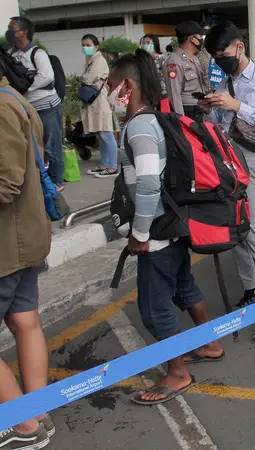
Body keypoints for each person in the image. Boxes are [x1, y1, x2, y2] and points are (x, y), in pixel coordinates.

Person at [108, 50, 224, 406]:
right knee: (184, 285)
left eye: (110, 85)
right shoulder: (155, 118)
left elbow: (146, 184)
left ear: (127, 86)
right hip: (173, 225)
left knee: (154, 308)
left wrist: (140, 234)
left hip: (156, 231)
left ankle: (177, 373)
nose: (108, 92)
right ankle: (208, 344)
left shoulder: (139, 126)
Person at [201, 21, 255, 341]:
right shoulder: (223, 80)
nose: (219, 59)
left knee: (254, 230)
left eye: (222, 53)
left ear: (239, 47)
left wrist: (237, 105)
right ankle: (251, 289)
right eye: (214, 55)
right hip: (226, 162)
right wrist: (210, 108)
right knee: (235, 230)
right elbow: (219, 123)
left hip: (252, 160)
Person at [0, 66, 55, 450]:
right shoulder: (17, 100)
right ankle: (37, 412)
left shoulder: (1, 107)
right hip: (26, 234)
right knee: (25, 322)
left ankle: (24, 426)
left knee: (26, 323)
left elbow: (7, 181)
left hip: (7, 242)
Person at [6, 16, 65, 191]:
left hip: (46, 106)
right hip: (26, 107)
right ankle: (37, 179)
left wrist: (25, 88)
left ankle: (56, 180)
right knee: (32, 146)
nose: (9, 31)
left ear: (24, 32)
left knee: (51, 145)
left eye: (12, 28)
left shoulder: (37, 53)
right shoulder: (11, 54)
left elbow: (47, 76)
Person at [79, 34, 118, 178]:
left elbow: (88, 78)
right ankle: (104, 164)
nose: (85, 48)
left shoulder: (99, 61)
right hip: (94, 103)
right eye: (83, 45)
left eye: (88, 45)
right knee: (100, 135)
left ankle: (112, 167)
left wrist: (82, 78)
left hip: (100, 102)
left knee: (106, 134)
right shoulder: (91, 61)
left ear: (96, 47)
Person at [164, 21, 207, 121]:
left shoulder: (195, 59)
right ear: (193, 39)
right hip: (187, 112)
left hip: (198, 111)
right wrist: (182, 121)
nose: (201, 40)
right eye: (200, 37)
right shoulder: (174, 61)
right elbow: (174, 96)